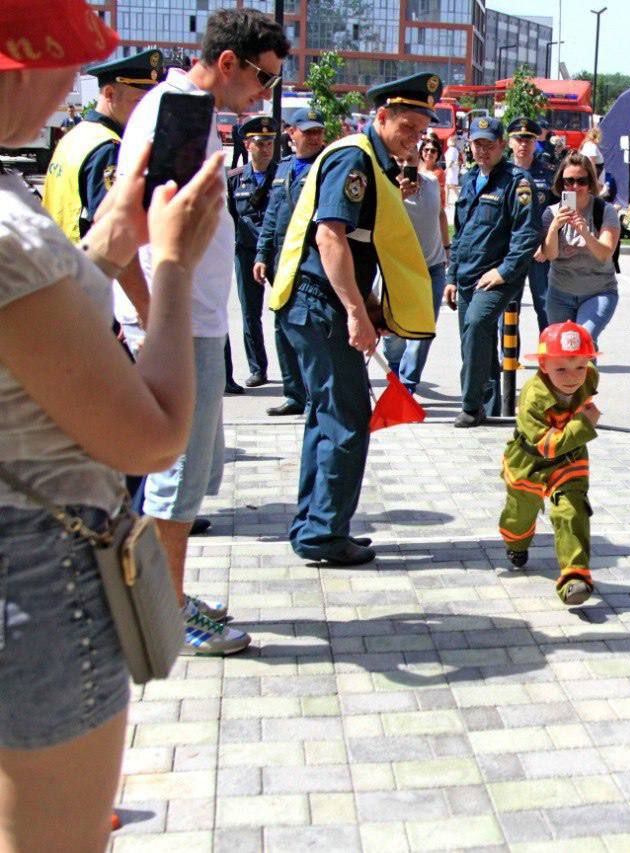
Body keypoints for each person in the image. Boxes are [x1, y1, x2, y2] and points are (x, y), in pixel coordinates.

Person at [0, 2, 226, 845]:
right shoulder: (7, 235)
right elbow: (152, 434)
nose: (72, 85)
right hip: (34, 572)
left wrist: (106, 246)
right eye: (61, 63)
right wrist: (170, 266)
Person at [119, 6, 290, 655]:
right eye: (264, 80)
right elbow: (137, 216)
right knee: (177, 477)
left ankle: (169, 596)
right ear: (228, 64)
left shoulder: (188, 111)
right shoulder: (182, 113)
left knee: (188, 471)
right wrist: (154, 312)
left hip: (191, 320)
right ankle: (167, 611)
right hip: (180, 323)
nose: (265, 96)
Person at [269, 72, 439, 564]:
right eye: (405, 125)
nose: (413, 137)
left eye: (420, 129)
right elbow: (330, 238)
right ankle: (323, 535)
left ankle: (314, 526)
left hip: (320, 305)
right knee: (346, 422)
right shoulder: (355, 160)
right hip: (321, 306)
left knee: (326, 420)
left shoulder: (373, 161)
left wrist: (365, 305)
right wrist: (354, 312)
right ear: (380, 117)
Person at [43, 49, 161, 349]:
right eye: (138, 102)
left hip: (59, 281)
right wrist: (138, 307)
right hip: (93, 291)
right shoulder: (108, 148)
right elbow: (115, 234)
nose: (144, 114)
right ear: (109, 93)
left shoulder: (75, 136)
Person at [443, 116, 541, 427]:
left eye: (489, 144)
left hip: (498, 276)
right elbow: (461, 234)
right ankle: (486, 407)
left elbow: (526, 234)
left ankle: (470, 407)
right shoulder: (472, 178)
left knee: (477, 324)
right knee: (473, 342)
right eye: (477, 144)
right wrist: (451, 277)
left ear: (502, 145)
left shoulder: (517, 182)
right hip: (468, 276)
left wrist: (505, 271)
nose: (482, 150)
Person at [498, 321, 601, 606]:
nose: (573, 377)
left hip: (569, 461)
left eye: (580, 366)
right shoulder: (532, 398)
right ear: (543, 365)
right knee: (519, 516)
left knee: (571, 511)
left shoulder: (589, 377)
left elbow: (586, 386)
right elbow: (546, 446)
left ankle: (574, 578)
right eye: (561, 369)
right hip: (529, 461)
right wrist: (584, 423)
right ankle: (516, 545)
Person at [254, 107, 325, 417]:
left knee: (307, 331)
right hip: (281, 262)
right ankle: (294, 392)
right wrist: (261, 254)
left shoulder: (326, 166)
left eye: (318, 132)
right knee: (282, 326)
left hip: (309, 260)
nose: (314, 137)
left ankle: (313, 397)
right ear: (291, 133)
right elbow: (272, 215)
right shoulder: (283, 168)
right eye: (307, 131)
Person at [382, 136, 450, 394]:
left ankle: (408, 381)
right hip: (399, 268)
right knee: (395, 332)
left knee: (424, 328)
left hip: (432, 267)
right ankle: (396, 365)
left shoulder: (432, 182)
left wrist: (447, 248)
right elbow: (380, 222)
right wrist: (397, 196)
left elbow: (441, 215)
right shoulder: (388, 187)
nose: (406, 165)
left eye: (411, 159)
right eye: (401, 161)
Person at [542, 152, 622, 345]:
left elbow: (604, 254)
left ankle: (588, 376)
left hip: (598, 291)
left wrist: (585, 233)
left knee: (582, 340)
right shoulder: (551, 213)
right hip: (560, 293)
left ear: (590, 183)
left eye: (581, 181)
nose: (575, 187)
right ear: (561, 183)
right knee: (562, 350)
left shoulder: (604, 211)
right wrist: (554, 227)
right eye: (569, 181)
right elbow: (550, 255)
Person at [227, 114, 278, 390]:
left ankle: (296, 371)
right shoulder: (234, 179)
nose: (266, 148)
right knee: (250, 313)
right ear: (248, 145)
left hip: (276, 252)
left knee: (286, 312)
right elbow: (229, 218)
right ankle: (258, 368)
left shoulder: (282, 175)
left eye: (270, 142)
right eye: (260, 142)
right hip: (246, 252)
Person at [507, 117, 554, 332]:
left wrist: (548, 243)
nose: (523, 144)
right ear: (509, 142)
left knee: (545, 306)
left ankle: (550, 361)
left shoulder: (550, 174)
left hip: (540, 252)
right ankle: (507, 360)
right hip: (510, 251)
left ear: (536, 142)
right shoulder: (501, 174)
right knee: (508, 307)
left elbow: (566, 209)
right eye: (519, 139)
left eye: (529, 139)